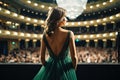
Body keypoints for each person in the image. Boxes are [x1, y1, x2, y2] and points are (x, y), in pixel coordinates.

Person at [33, 7, 78, 80]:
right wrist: (72, 71)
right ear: (59, 19)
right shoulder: (69, 34)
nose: (66, 19)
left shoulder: (45, 35)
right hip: (65, 68)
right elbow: (74, 58)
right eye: (64, 17)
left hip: (50, 68)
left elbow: (42, 58)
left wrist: (48, 69)